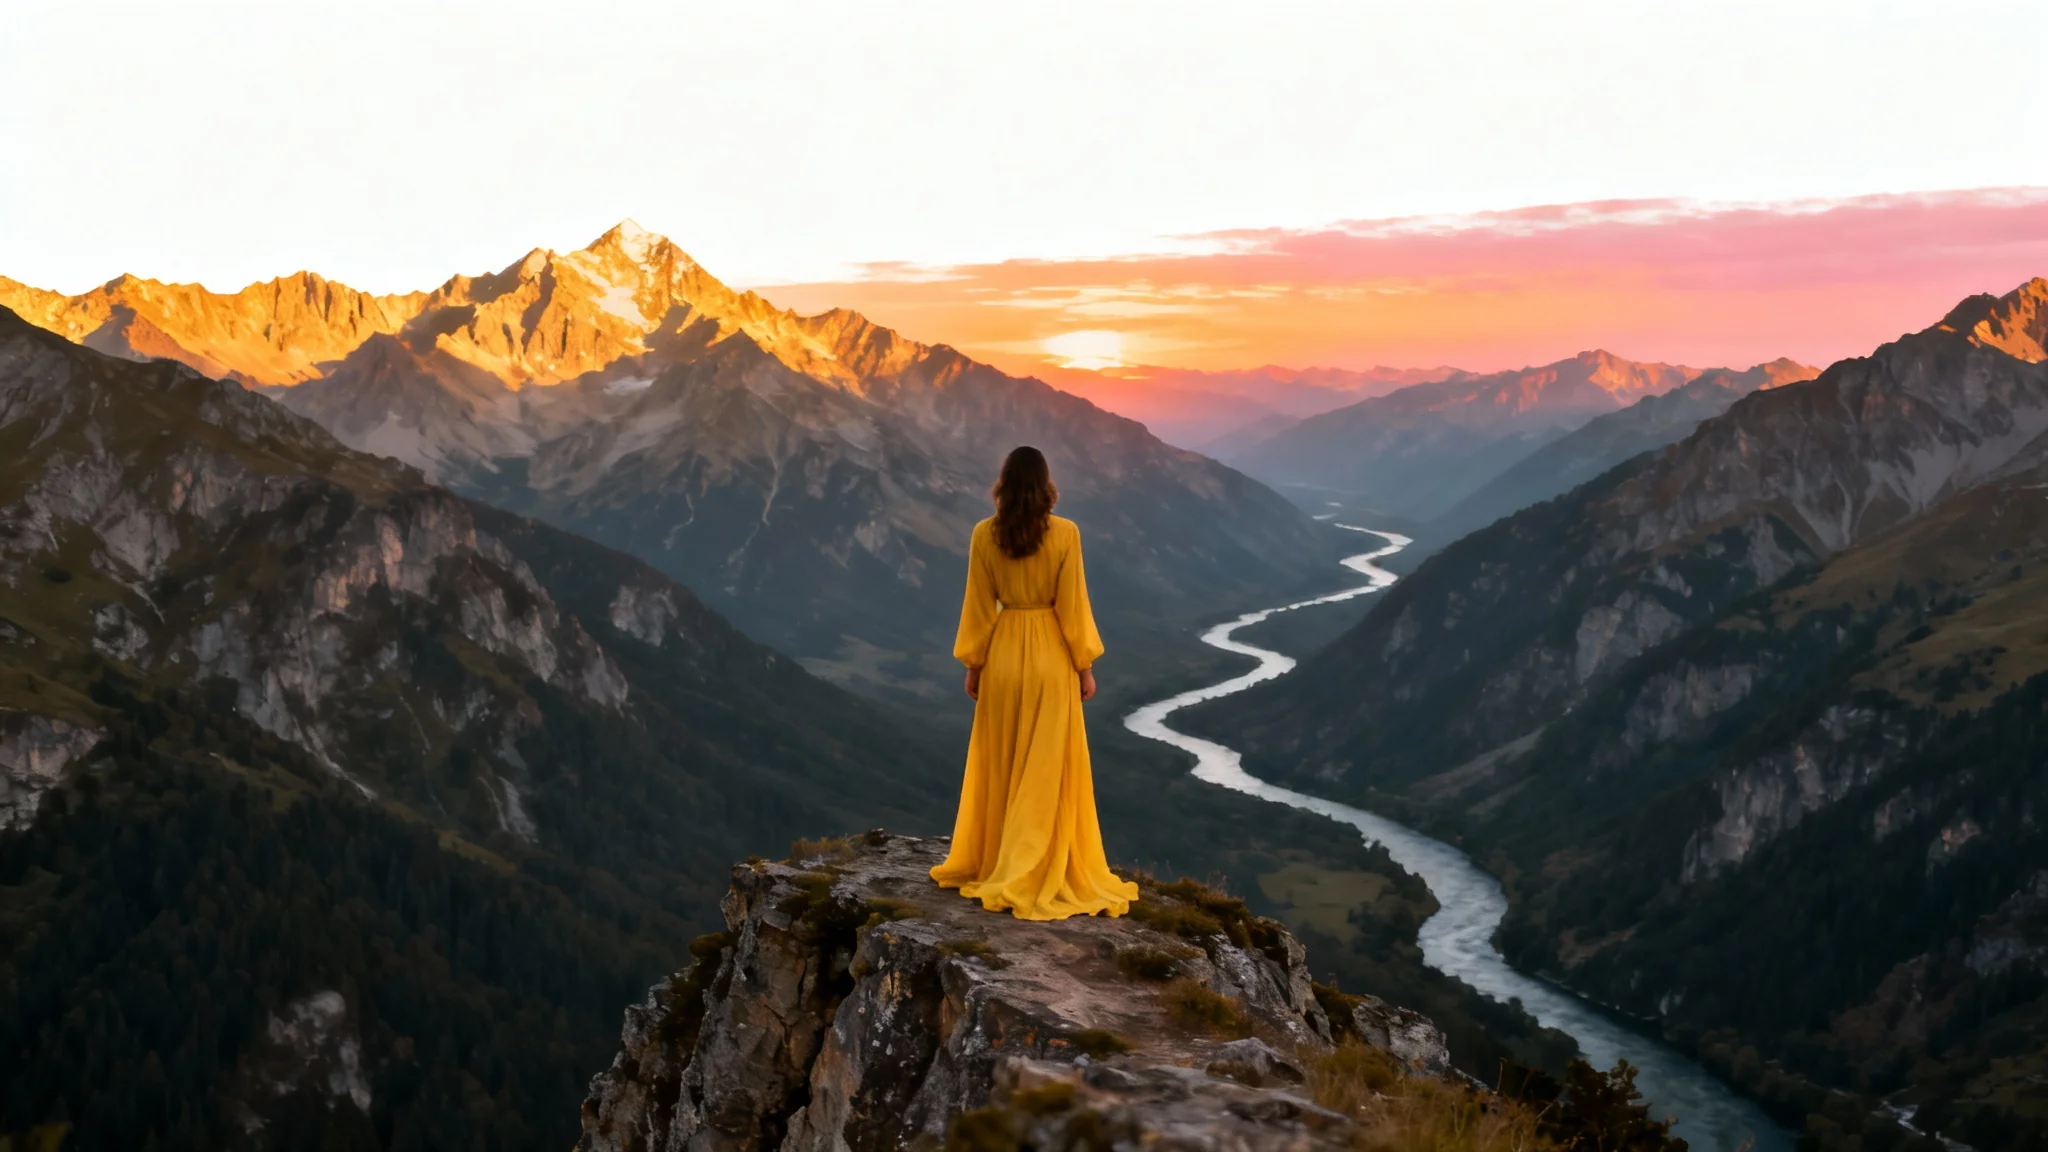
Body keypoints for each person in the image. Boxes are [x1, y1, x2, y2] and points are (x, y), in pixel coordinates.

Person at [930, 446, 1140, 920]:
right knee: (1048, 764)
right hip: (1049, 657)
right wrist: (1084, 665)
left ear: (1002, 484)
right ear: (1046, 485)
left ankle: (998, 860)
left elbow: (979, 608)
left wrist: (974, 663)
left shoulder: (985, 534)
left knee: (1001, 759)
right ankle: (1039, 863)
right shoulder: (1065, 534)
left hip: (1003, 655)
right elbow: (1072, 605)